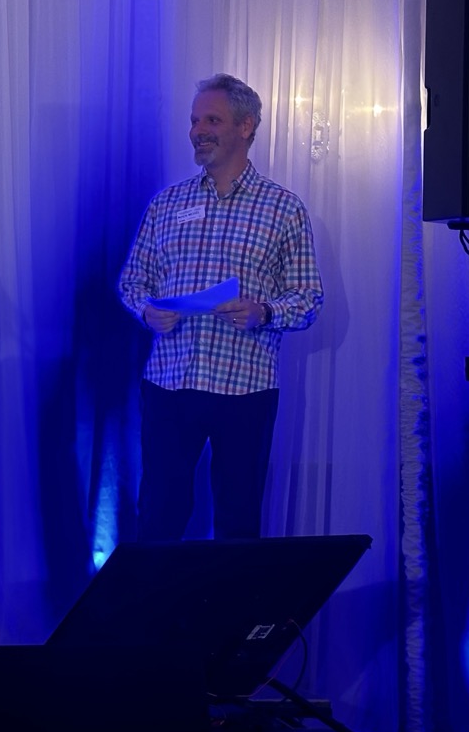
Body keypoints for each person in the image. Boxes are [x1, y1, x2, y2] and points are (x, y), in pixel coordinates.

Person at [118, 73, 322, 541]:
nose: (198, 131)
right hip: (171, 382)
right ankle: (158, 593)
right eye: (194, 121)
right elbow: (133, 281)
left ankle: (232, 595)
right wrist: (147, 310)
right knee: (159, 516)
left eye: (212, 120)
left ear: (246, 126)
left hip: (245, 387)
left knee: (237, 520)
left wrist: (263, 312)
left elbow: (309, 298)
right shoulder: (167, 205)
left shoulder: (284, 209)